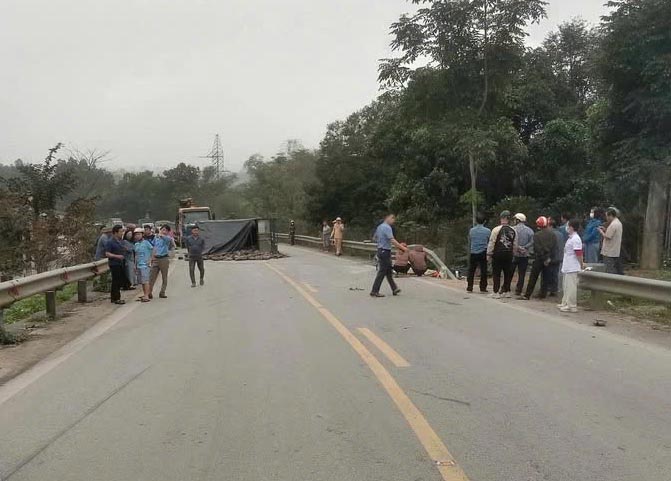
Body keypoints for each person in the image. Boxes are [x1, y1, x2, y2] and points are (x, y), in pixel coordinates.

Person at [370, 214, 407, 297]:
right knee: (382, 271)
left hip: (381, 250)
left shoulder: (379, 227)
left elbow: (374, 238)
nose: (393, 220)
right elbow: (392, 240)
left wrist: (381, 241)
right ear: (387, 218)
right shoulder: (387, 227)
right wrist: (402, 248)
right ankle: (374, 290)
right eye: (392, 218)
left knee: (388, 271)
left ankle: (394, 288)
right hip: (385, 251)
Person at [523, 217, 557, 300]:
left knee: (533, 277)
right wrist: (548, 258)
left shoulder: (537, 235)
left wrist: (543, 258)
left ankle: (527, 294)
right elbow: (554, 248)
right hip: (549, 259)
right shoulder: (552, 234)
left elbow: (537, 249)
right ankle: (543, 294)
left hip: (539, 258)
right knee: (546, 278)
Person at [487, 210, 518, 299]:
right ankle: (507, 291)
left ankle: (496, 292)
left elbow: (492, 242)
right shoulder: (513, 230)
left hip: (498, 254)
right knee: (507, 273)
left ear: (502, 218)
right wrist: (514, 254)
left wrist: (489, 254)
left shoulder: (496, 229)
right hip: (509, 254)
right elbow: (515, 244)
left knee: (496, 273)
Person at [558, 219, 584, 313]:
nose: (567, 227)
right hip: (567, 265)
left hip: (572, 266)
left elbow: (579, 253)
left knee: (571, 286)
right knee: (566, 285)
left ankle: (572, 305)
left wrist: (581, 264)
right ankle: (565, 302)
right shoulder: (571, 237)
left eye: (568, 226)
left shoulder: (576, 238)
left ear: (572, 227)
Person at [467, 214, 491, 293]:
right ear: (484, 221)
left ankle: (470, 286)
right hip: (483, 251)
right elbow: (489, 241)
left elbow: (470, 240)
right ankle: (483, 287)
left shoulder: (472, 230)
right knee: (483, 270)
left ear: (476, 221)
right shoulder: (487, 231)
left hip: (473, 251)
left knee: (471, 270)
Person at [512, 213, 534, 297]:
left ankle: (505, 288)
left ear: (518, 220)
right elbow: (532, 242)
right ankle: (519, 290)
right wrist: (524, 248)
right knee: (522, 274)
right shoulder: (530, 230)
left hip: (514, 254)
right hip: (524, 255)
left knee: (510, 272)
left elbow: (511, 241)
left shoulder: (513, 229)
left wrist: (517, 247)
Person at [149, 225, 173, 299]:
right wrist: (152, 258)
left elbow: (167, 239)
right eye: (162, 229)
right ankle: (149, 292)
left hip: (164, 258)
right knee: (152, 276)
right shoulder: (156, 238)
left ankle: (162, 292)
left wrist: (161, 235)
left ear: (168, 232)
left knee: (164, 276)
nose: (163, 231)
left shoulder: (168, 238)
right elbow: (154, 247)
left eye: (165, 230)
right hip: (156, 258)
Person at [105, 225, 126, 305]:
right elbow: (107, 253)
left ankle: (114, 298)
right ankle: (117, 298)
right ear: (115, 232)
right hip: (114, 263)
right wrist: (117, 256)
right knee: (116, 281)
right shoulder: (110, 242)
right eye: (120, 232)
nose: (122, 233)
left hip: (120, 263)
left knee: (117, 281)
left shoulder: (119, 241)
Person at [599, 208, 624, 275]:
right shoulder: (618, 223)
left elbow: (608, 236)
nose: (606, 218)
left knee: (609, 269)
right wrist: (605, 229)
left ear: (611, 216)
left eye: (607, 216)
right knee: (614, 267)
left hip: (609, 251)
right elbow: (612, 233)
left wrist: (601, 232)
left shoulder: (613, 224)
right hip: (615, 250)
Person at [133, 227, 153, 302]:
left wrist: (150, 260)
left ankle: (147, 295)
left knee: (145, 280)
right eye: (136, 235)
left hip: (145, 264)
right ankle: (144, 294)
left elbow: (153, 250)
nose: (137, 236)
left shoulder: (146, 242)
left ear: (142, 234)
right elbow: (136, 255)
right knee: (141, 281)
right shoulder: (136, 244)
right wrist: (135, 265)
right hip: (139, 265)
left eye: (139, 234)